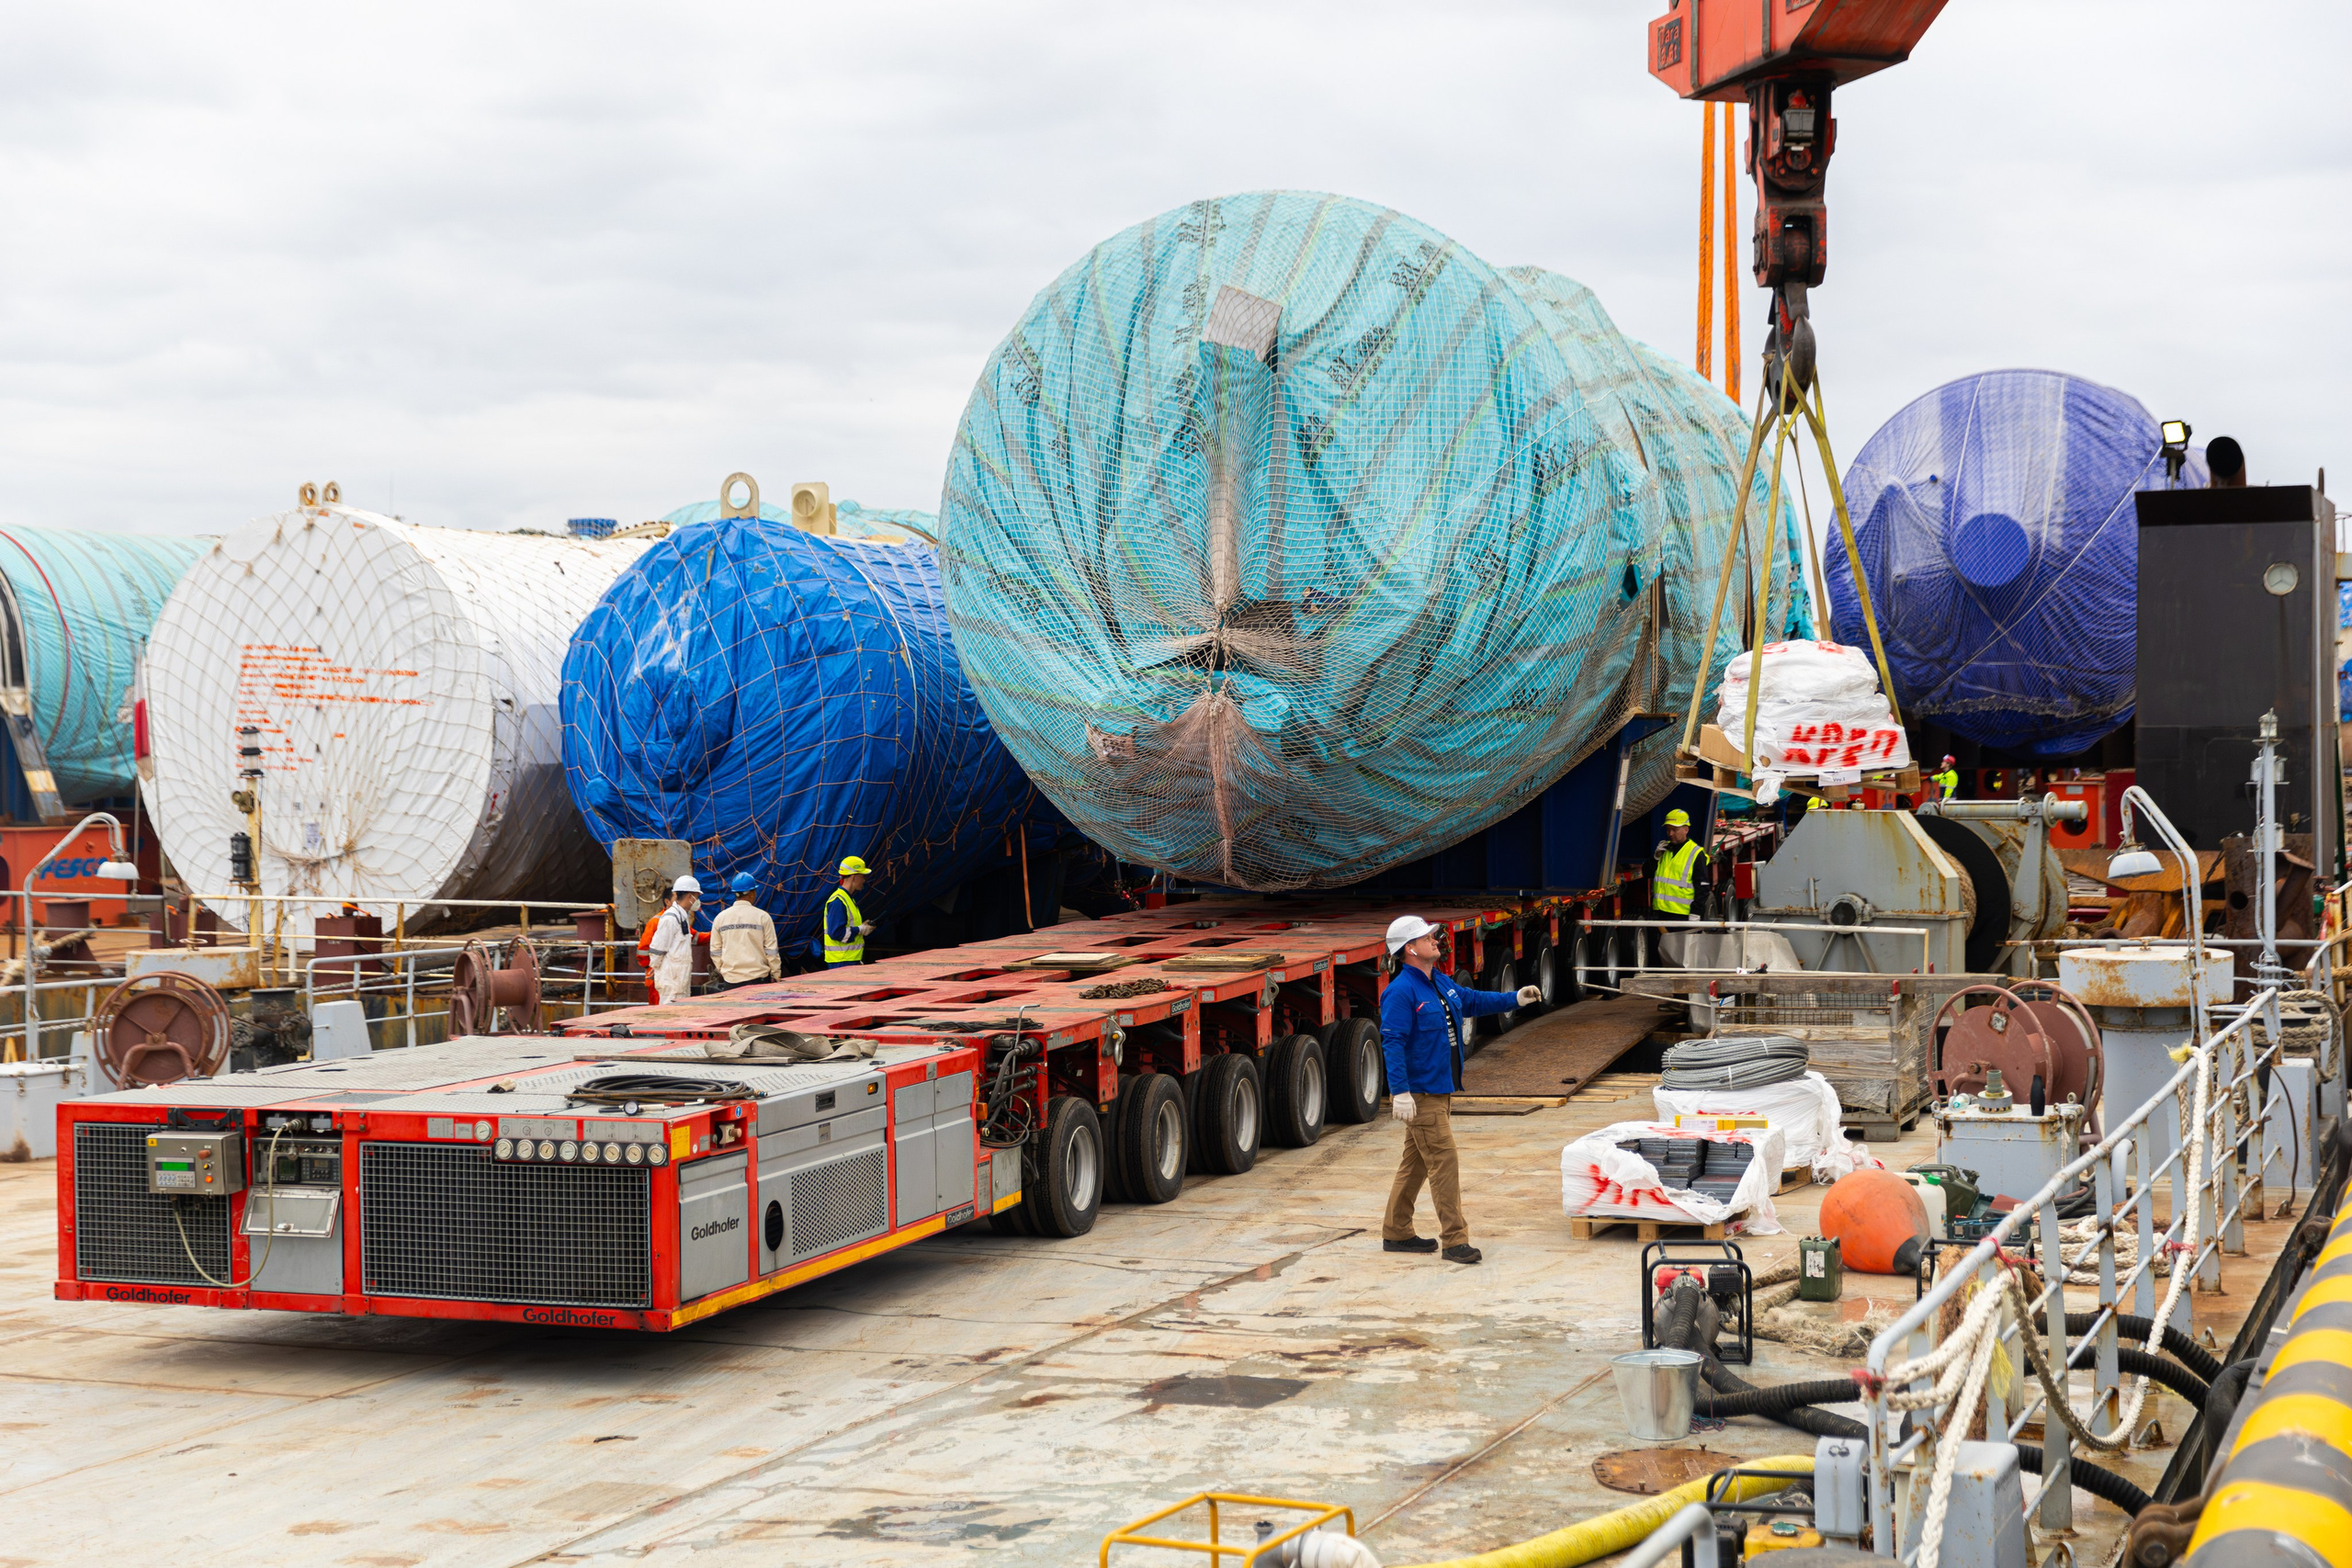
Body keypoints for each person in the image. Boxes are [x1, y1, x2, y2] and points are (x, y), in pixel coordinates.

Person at [1379, 915, 1542, 1267]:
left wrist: (1515, 997)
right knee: (1443, 1161)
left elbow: (1472, 1000)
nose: (1435, 940)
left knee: (1417, 1164)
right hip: (1421, 1094)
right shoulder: (1401, 992)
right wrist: (1400, 1092)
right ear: (1410, 949)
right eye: (1427, 937)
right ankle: (1455, 1241)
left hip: (1440, 1090)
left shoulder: (1438, 982)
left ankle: (1396, 1231)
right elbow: (1392, 1042)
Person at [709, 872, 781, 989]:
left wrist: (724, 970)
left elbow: (715, 951)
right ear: (752, 893)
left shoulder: (720, 918)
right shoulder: (762, 917)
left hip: (731, 981)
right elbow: (771, 950)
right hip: (759, 979)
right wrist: (775, 973)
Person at [645, 875, 705, 1003]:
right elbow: (657, 949)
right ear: (690, 897)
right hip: (671, 981)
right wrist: (658, 970)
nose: (697, 901)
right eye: (697, 896)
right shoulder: (671, 918)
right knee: (669, 1018)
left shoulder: (681, 916)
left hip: (678, 980)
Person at [818, 855, 877, 966]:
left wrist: (861, 928)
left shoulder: (847, 899)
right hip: (842, 962)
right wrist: (861, 929)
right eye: (862, 876)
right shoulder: (838, 901)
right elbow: (837, 933)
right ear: (854, 877)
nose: (864, 880)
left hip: (848, 960)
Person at [1652, 808, 1710, 922]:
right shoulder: (1664, 850)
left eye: (1674, 830)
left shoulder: (1695, 853)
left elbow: (1703, 887)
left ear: (1686, 830)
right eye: (1668, 830)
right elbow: (1647, 873)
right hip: (1661, 913)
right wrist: (1655, 858)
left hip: (1684, 915)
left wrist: (1696, 912)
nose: (1670, 834)